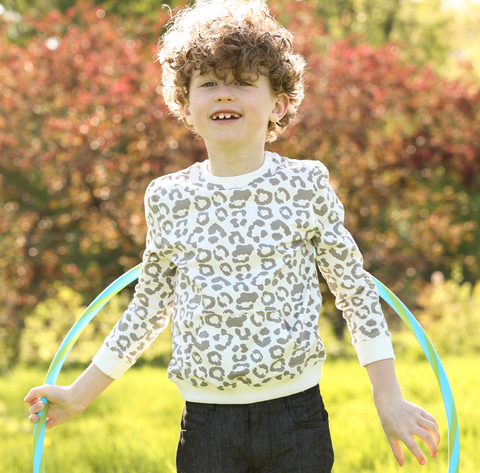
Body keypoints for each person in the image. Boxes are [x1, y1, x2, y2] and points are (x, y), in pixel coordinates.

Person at [25, 1, 440, 471]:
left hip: (296, 419)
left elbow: (355, 292)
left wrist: (388, 398)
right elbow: (147, 310)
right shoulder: (169, 197)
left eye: (243, 82)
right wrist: (78, 396)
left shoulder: (304, 185)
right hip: (206, 425)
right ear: (185, 104)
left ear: (278, 104)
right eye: (208, 83)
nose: (224, 94)